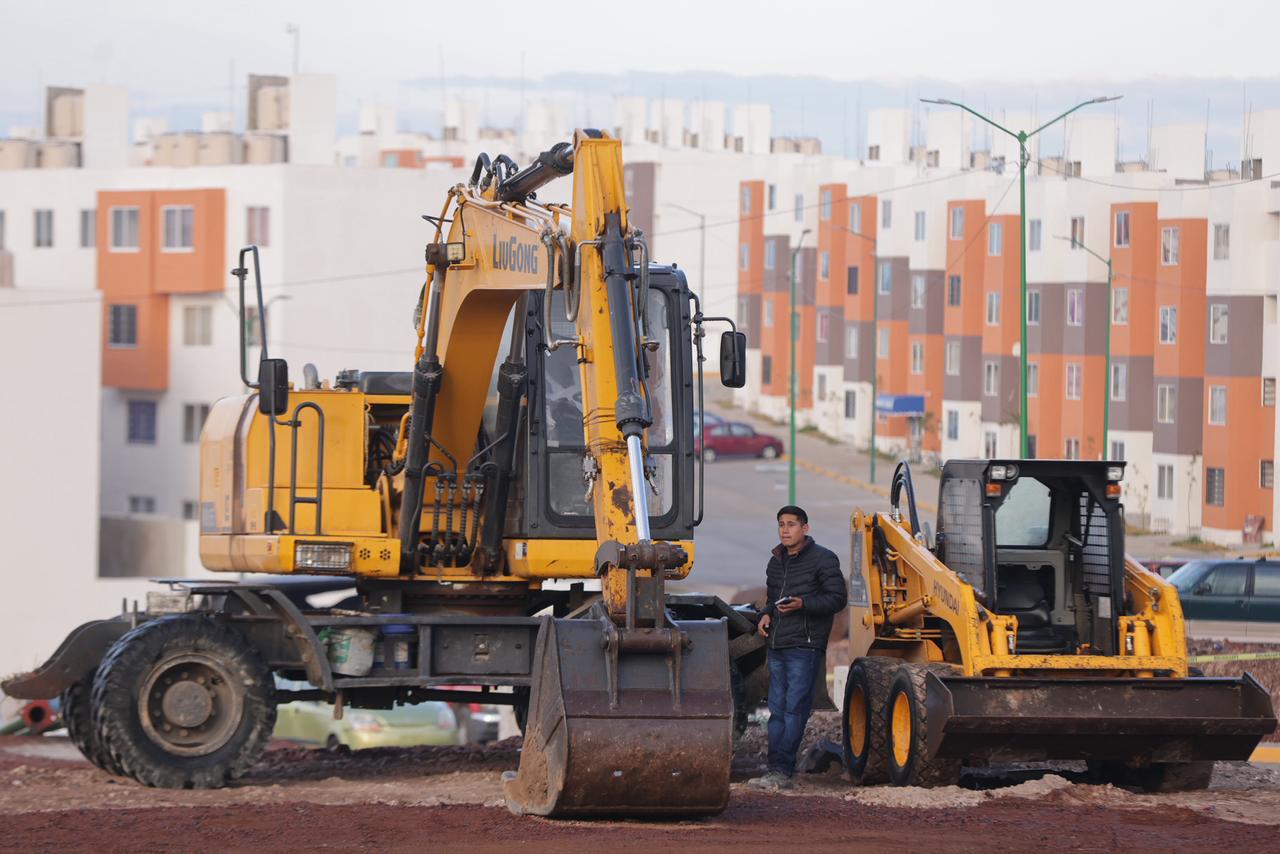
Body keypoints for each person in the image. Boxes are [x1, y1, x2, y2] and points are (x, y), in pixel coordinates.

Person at [747, 505, 847, 791]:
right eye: (781, 524)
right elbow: (771, 597)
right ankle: (775, 770)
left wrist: (804, 604)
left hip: (805, 646)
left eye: (791, 524)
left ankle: (782, 771)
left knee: (794, 710)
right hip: (777, 643)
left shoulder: (824, 559)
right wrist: (766, 613)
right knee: (776, 711)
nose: (785, 530)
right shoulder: (775, 561)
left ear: (805, 528)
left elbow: (837, 599)